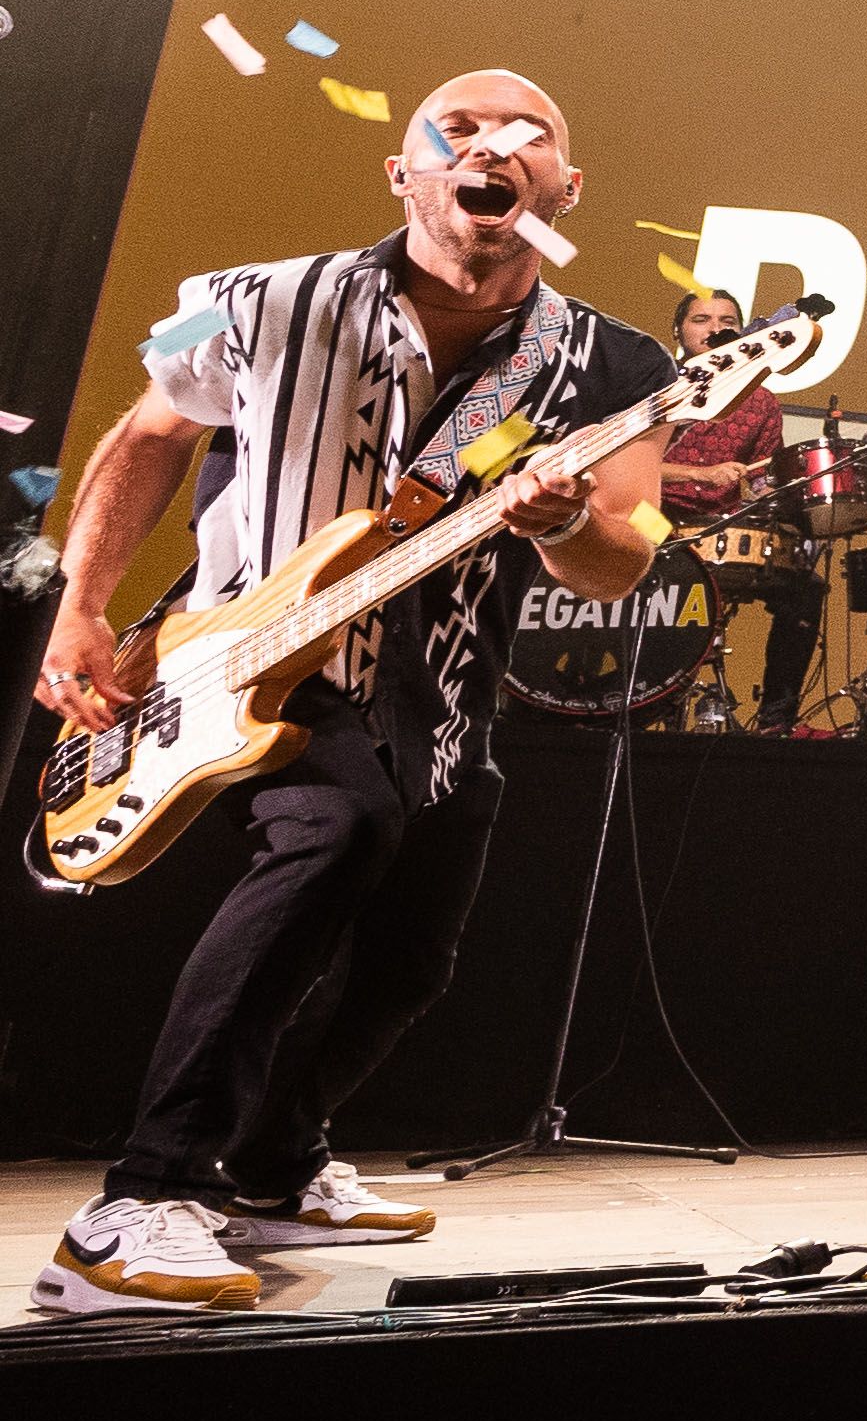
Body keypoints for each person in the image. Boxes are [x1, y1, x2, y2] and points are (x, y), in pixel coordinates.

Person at [26, 71, 672, 1316]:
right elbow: (150, 430)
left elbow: (624, 551)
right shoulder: (252, 298)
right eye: (461, 128)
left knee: (411, 956)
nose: (492, 145)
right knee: (338, 830)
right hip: (251, 661)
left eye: (529, 133)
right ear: (405, 172)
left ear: (563, 190)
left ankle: (273, 1159)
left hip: (443, 691)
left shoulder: (619, 361)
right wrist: (85, 602)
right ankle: (131, 1206)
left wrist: (557, 526)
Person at [656, 288, 822, 730]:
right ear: (678, 330)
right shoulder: (657, 385)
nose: (715, 329)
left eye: (727, 321)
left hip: (716, 526)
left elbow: (763, 477)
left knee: (806, 586)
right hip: (649, 515)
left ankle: (776, 718)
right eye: (701, 319)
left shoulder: (762, 402)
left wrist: (791, 500)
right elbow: (622, 467)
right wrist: (702, 475)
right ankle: (656, 702)